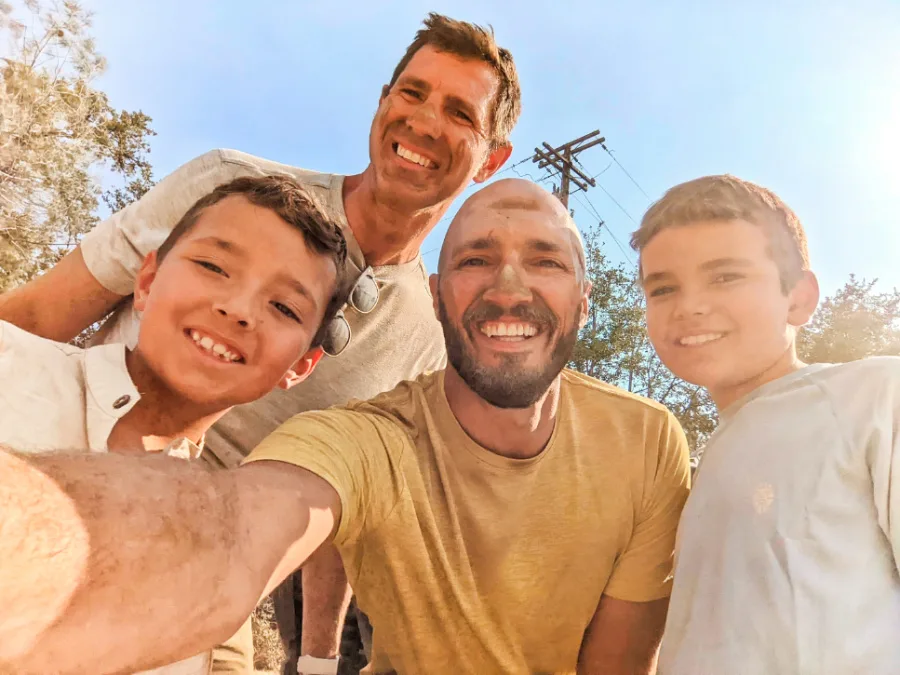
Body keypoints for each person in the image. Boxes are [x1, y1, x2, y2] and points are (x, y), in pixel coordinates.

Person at [0, 12, 520, 675]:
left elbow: (337, 504)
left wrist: (318, 658)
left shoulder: (426, 343)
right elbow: (41, 311)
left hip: (207, 570)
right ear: (384, 102)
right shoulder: (227, 190)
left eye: (458, 113)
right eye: (411, 93)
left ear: (491, 159)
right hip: (61, 465)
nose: (422, 121)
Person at [0, 178, 691, 675]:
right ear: (436, 295)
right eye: (475, 257)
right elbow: (235, 529)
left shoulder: (647, 441)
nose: (509, 285)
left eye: (546, 260)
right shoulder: (371, 438)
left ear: (585, 299)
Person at [0, 174, 347, 674]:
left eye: (284, 307)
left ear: (300, 367)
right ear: (145, 281)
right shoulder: (12, 364)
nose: (238, 309)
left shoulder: (219, 568)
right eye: (213, 266)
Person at [631, 174, 900, 675]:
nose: (689, 305)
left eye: (725, 276)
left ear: (798, 298)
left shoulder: (875, 396)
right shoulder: (705, 464)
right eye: (663, 287)